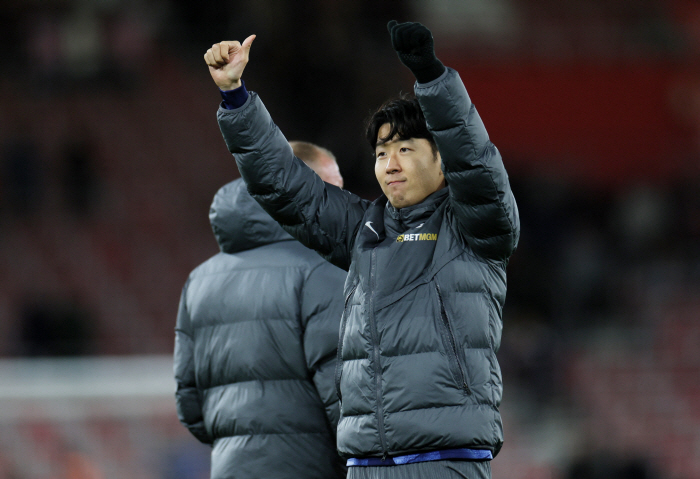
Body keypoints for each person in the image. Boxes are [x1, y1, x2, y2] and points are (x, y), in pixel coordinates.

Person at [205, 20, 520, 479]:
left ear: (440, 157)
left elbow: (477, 165)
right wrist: (235, 96)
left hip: (444, 462)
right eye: (380, 153)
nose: (389, 165)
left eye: (406, 149)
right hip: (364, 464)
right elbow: (285, 187)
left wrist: (433, 80)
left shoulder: (474, 225)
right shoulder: (365, 230)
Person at [173, 142, 348, 479]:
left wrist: (247, 447)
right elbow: (348, 404)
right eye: (333, 190)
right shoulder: (320, 271)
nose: (345, 204)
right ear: (299, 187)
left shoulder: (200, 279)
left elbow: (190, 407)